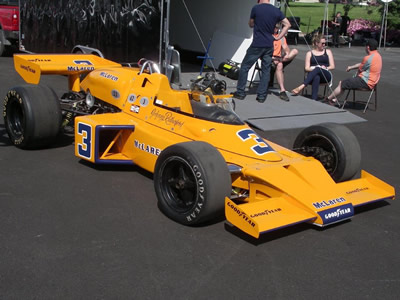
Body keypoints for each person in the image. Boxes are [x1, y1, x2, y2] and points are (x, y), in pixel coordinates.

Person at [232, 0, 290, 103]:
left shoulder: (256, 8)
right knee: (266, 70)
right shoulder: (276, 11)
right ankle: (261, 96)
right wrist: (279, 37)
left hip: (257, 44)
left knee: (245, 67)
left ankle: (240, 92)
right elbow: (288, 24)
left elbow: (251, 24)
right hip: (269, 45)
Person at [326, 39, 381, 106]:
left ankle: (328, 99)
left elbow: (360, 68)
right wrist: (351, 67)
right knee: (345, 83)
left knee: (343, 83)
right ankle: (334, 100)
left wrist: (354, 69)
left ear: (368, 47)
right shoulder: (378, 56)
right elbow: (362, 64)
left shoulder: (368, 58)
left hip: (365, 81)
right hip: (373, 82)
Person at [291, 34, 335, 100]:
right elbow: (306, 68)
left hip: (325, 74)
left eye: (325, 43)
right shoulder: (309, 53)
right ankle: (314, 99)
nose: (324, 45)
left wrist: (324, 68)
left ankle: (301, 86)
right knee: (316, 76)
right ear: (317, 43)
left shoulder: (328, 52)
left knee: (318, 69)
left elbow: (332, 66)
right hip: (312, 75)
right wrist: (315, 68)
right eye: (322, 43)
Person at [269, 22, 299, 102]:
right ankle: (282, 90)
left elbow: (286, 49)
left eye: (277, 28)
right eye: (274, 27)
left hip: (279, 58)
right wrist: (273, 58)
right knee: (279, 65)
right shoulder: (268, 37)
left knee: (295, 51)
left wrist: (287, 53)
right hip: (269, 58)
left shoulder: (281, 37)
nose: (276, 29)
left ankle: (280, 61)